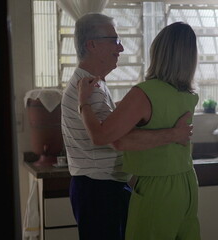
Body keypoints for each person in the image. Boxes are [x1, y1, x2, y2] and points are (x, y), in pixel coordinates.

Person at [61, 13, 193, 240]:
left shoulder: (96, 85)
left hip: (105, 188)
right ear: (92, 45)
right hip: (98, 190)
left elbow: (113, 125)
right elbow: (114, 139)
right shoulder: (88, 90)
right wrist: (174, 134)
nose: (120, 48)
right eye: (114, 40)